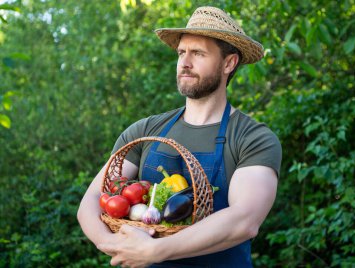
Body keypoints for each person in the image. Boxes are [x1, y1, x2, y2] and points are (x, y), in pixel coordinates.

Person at [77, 6, 281, 268]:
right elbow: (92, 201)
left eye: (198, 53)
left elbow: (244, 221)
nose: (185, 62)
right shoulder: (145, 130)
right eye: (182, 52)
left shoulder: (252, 138)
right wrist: (115, 246)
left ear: (229, 63)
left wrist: (155, 250)